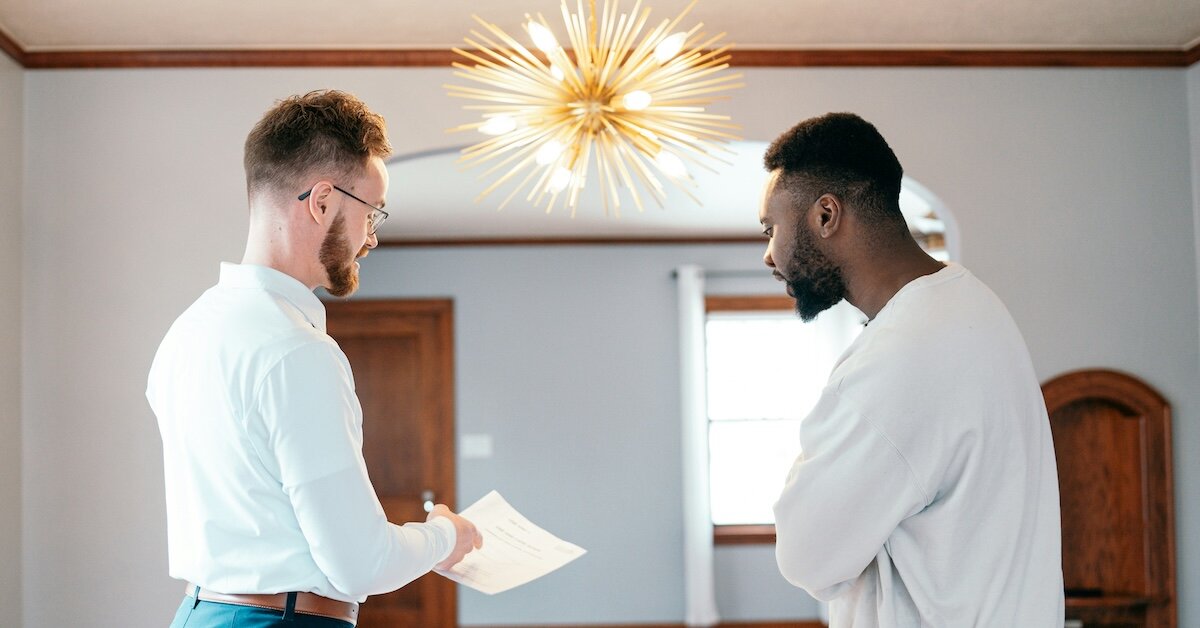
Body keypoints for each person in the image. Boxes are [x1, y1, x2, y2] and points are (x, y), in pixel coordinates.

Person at [147, 90, 482, 628]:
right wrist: (448, 536)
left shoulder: (187, 333)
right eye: (371, 213)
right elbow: (361, 565)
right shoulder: (297, 352)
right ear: (322, 201)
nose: (370, 238)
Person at [759, 112, 1064, 627]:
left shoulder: (899, 359)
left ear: (826, 215)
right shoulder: (970, 304)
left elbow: (804, 555)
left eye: (771, 229)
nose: (769, 256)